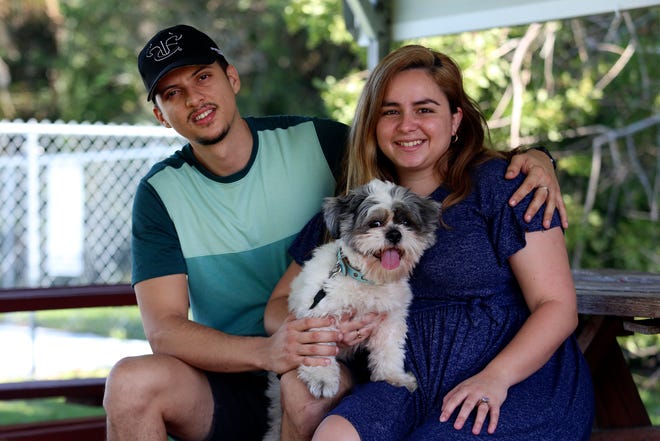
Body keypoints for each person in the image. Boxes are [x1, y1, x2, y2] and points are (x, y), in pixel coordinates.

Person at [102, 24, 565, 441]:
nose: (194, 98)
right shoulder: (160, 194)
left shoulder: (320, 144)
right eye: (172, 92)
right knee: (129, 383)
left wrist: (536, 157)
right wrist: (268, 351)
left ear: (232, 77)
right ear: (161, 114)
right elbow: (164, 330)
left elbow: (414, 144)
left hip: (331, 367)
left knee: (303, 382)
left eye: (203, 76)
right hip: (226, 373)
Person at [271, 45, 594, 441]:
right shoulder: (358, 207)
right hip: (405, 379)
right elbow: (276, 308)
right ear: (373, 124)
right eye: (391, 111)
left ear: (455, 118)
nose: (408, 125)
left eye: (425, 109)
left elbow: (557, 307)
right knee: (333, 435)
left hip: (512, 378)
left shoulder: (504, 184)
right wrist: (323, 330)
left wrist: (497, 378)